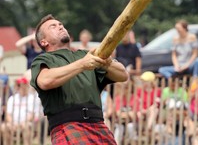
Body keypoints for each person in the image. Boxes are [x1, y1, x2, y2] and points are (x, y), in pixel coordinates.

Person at [30, 14, 129, 145]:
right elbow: (45, 81)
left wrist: (107, 62)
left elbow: (123, 75)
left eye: (61, 25)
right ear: (44, 42)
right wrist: (82, 64)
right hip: (67, 126)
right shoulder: (44, 60)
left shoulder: (84, 55)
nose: (60, 27)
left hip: (98, 125)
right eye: (53, 26)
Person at [1, 77, 33, 145]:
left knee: (25, 126)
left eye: (21, 85)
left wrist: (24, 122)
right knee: (4, 127)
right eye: (18, 85)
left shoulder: (31, 98)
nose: (20, 87)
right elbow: (8, 114)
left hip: (26, 123)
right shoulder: (12, 98)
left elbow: (31, 115)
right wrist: (12, 122)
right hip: (13, 123)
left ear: (26, 86)